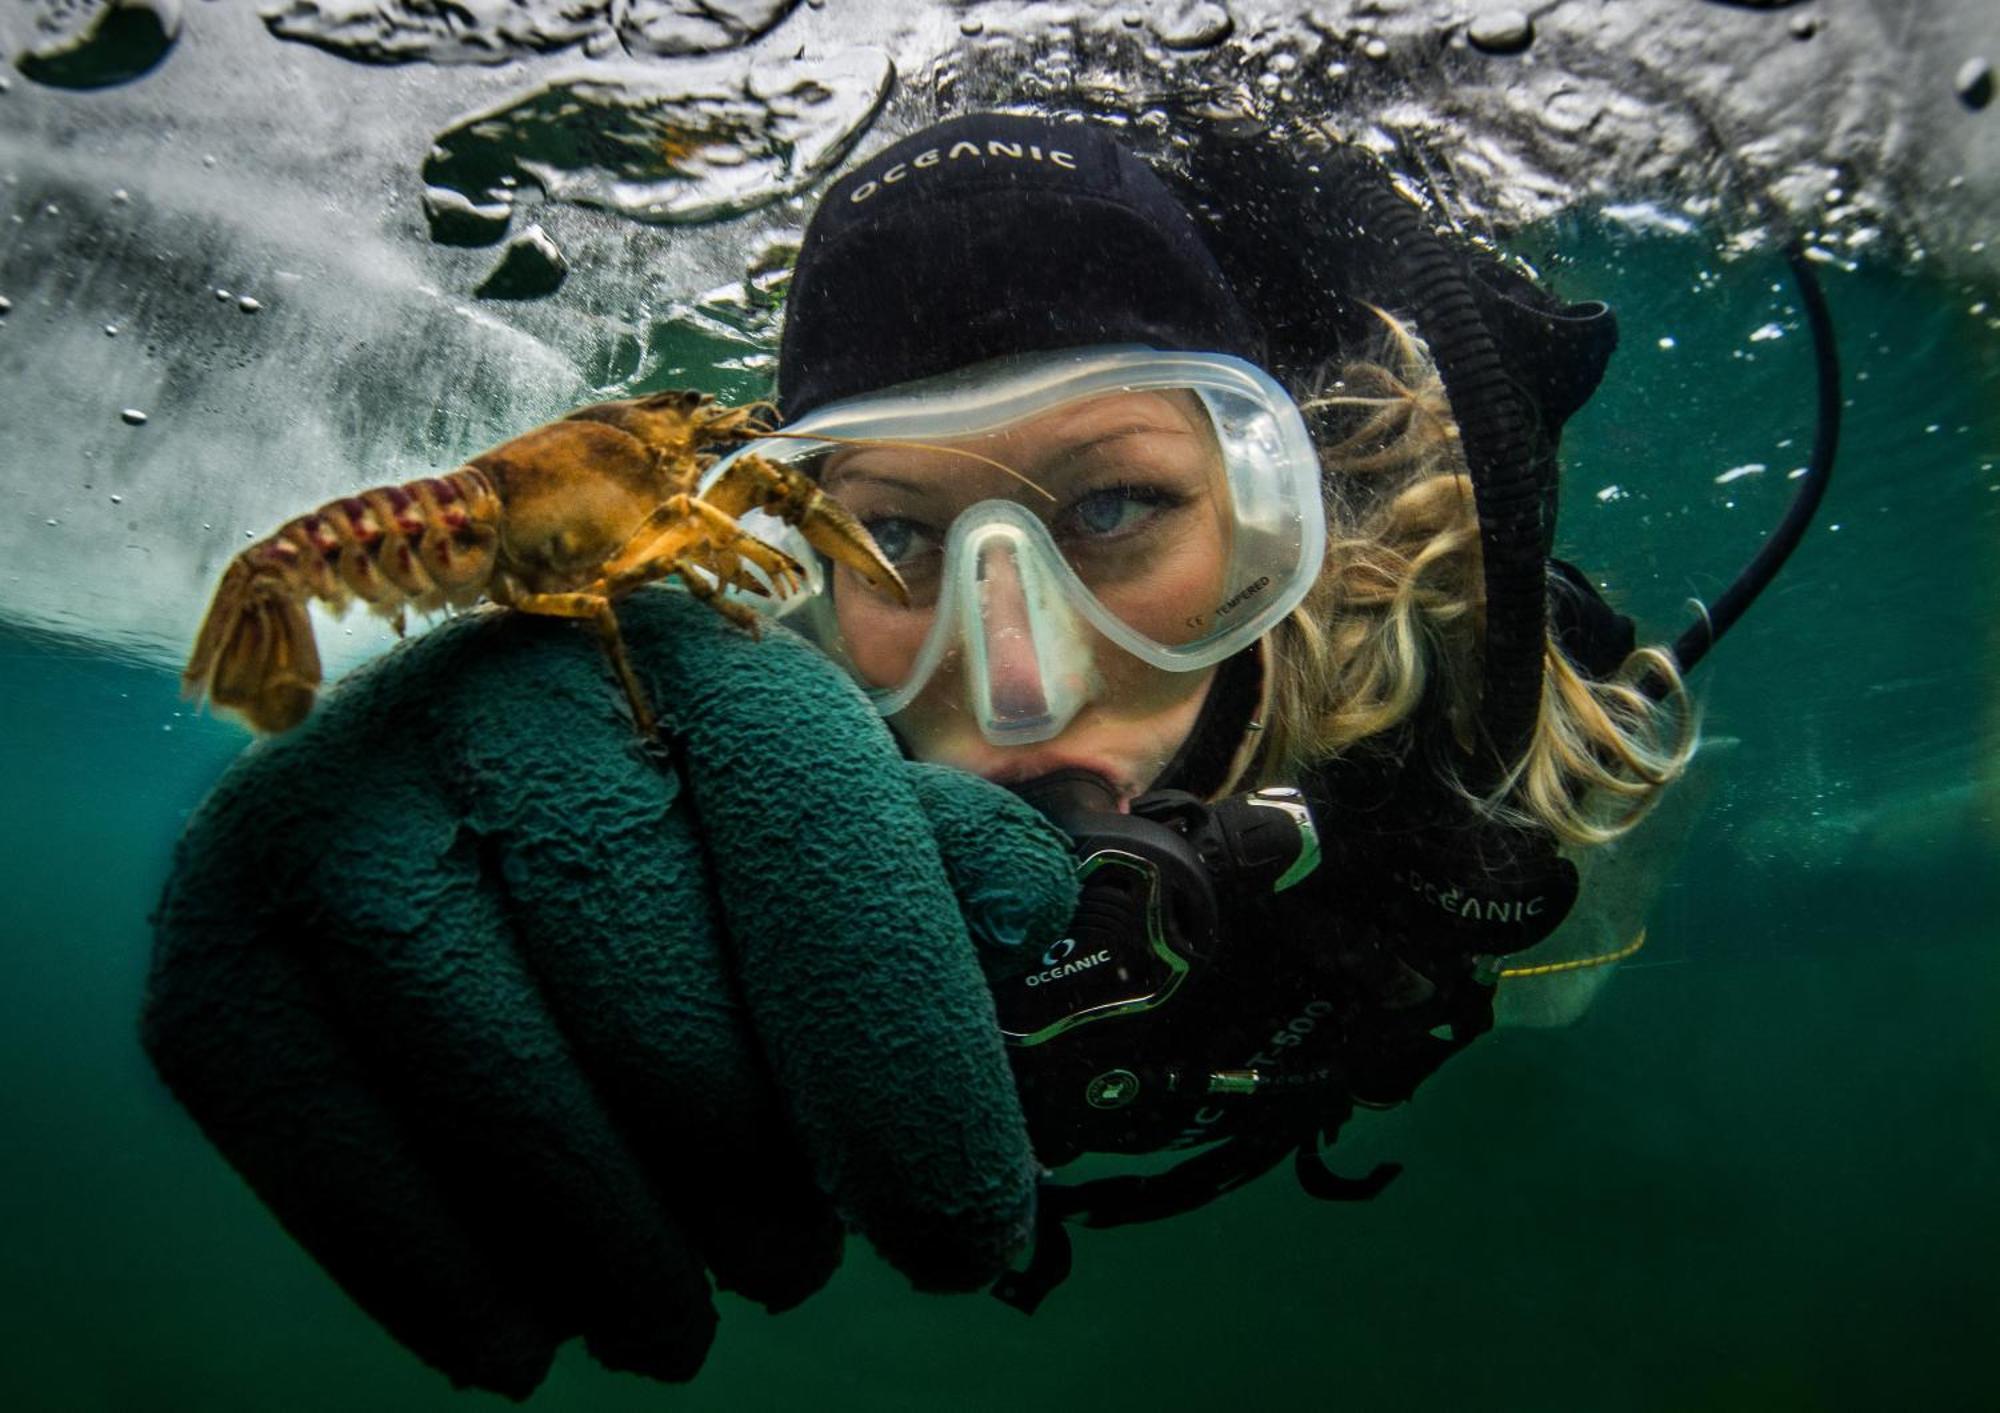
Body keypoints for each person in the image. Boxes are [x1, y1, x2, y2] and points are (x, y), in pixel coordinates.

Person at [145, 110, 1761, 1396]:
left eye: (1117, 507)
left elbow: (1570, 958)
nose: (1017, 680)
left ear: (1282, 516)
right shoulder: (751, 712)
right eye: (892, 535)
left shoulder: (1467, 684)